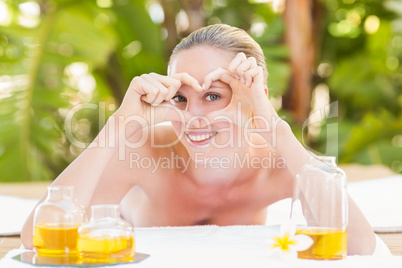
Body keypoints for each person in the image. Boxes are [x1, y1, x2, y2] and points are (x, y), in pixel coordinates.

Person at [21, 24, 376, 255]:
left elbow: (361, 247)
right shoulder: (142, 149)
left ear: (255, 96)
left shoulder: (278, 160)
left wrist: (269, 122)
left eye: (212, 96)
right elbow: (33, 240)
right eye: (181, 98)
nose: (193, 118)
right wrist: (120, 123)